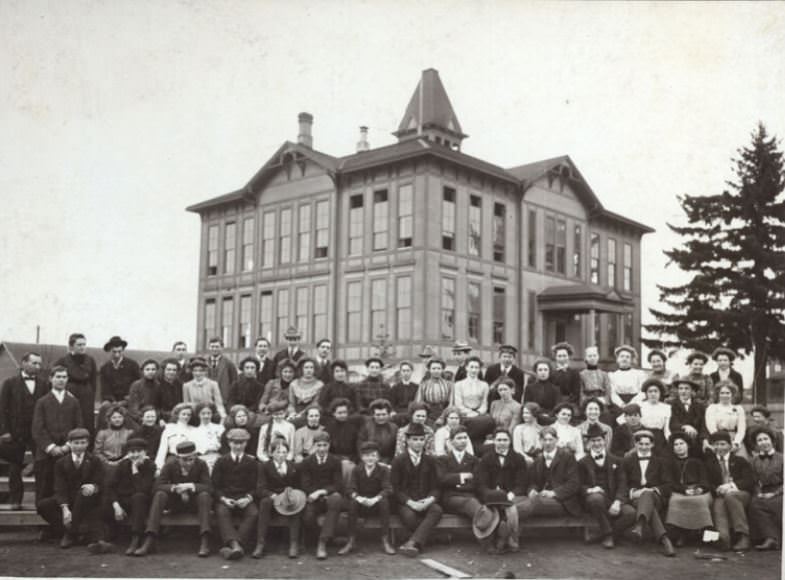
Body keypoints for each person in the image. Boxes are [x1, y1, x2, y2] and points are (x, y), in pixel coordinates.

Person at [135, 440, 212, 557]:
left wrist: (190, 486)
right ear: (177, 458)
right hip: (175, 503)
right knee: (160, 494)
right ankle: (150, 538)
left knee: (205, 496)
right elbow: (157, 486)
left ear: (195, 456)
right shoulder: (170, 464)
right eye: (185, 459)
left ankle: (205, 541)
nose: (189, 463)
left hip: (194, 503)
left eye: (192, 459)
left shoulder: (201, 464)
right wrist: (175, 488)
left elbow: (209, 487)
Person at [36, 428, 102, 547]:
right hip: (68, 498)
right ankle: (73, 532)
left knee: (84, 493)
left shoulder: (94, 460)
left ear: (88, 444)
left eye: (83, 443)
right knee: (43, 505)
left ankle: (70, 535)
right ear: (70, 444)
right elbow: (59, 487)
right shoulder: (60, 463)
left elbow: (99, 482)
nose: (79, 446)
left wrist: (93, 486)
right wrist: (65, 508)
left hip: (87, 500)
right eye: (76, 443)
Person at [91, 437, 154, 555]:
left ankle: (135, 540)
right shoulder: (123, 465)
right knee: (103, 503)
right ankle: (103, 540)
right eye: (132, 452)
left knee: (138, 497)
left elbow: (143, 489)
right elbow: (111, 486)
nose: (135, 455)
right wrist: (116, 506)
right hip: (122, 501)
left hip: (141, 503)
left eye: (138, 452)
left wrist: (135, 470)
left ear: (145, 452)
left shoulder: (150, 466)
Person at [0, 352, 48, 508]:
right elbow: (2, 409)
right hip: (16, 432)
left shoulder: (44, 384)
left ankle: (41, 501)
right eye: (34, 363)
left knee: (41, 465)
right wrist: (5, 431)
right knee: (15, 466)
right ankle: (15, 500)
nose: (38, 367)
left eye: (39, 364)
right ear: (23, 363)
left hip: (37, 432)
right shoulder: (10, 383)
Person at [578, 423, 636, 549]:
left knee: (631, 513)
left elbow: (622, 484)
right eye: (593, 441)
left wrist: (618, 501)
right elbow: (579, 485)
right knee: (595, 498)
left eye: (599, 440)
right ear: (588, 443)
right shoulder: (582, 462)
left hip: (613, 498)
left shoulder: (617, 460)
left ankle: (604, 535)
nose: (597, 444)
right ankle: (609, 535)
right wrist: (590, 490)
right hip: (594, 501)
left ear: (604, 441)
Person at [32, 366, 84, 504]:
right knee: (44, 490)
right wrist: (51, 447)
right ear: (51, 379)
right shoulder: (42, 402)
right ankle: (42, 523)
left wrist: (68, 446)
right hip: (46, 454)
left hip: (67, 453)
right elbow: (38, 428)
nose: (61, 380)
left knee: (66, 489)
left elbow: (78, 426)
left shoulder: (74, 402)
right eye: (58, 377)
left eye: (64, 377)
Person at [476, 428, 532, 553]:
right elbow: (481, 484)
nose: (502, 443)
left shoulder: (518, 459)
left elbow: (522, 483)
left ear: (510, 441)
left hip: (512, 495)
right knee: (493, 508)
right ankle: (496, 538)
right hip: (491, 496)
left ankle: (509, 538)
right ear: (494, 441)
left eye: (505, 440)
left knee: (512, 507)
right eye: (499, 440)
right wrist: (491, 494)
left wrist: (512, 493)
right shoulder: (486, 459)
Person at [391, 422, 443, 557]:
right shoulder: (399, 461)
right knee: (409, 517)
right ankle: (434, 538)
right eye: (415, 439)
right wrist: (410, 503)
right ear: (407, 440)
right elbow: (395, 489)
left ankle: (412, 542)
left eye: (421, 439)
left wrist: (429, 500)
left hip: (425, 500)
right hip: (406, 502)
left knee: (437, 510)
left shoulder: (430, 460)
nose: (418, 443)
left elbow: (436, 487)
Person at [622, 430, 676, 557]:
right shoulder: (627, 461)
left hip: (656, 497)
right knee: (646, 503)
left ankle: (640, 525)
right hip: (636, 498)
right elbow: (622, 483)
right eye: (641, 444)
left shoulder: (661, 461)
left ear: (652, 445)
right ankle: (664, 539)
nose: (644, 447)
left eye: (647, 444)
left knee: (647, 495)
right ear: (635, 444)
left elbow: (669, 485)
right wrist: (632, 493)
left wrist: (652, 490)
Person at [339, 440, 396, 555]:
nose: (370, 458)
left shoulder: (383, 470)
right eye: (366, 456)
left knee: (384, 502)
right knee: (352, 503)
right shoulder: (356, 470)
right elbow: (350, 489)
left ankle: (385, 540)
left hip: (377, 504)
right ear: (361, 457)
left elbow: (388, 489)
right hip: (362, 504)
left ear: (378, 457)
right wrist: (360, 498)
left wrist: (375, 499)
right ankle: (351, 540)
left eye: (373, 455)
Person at [703, 430, 755, 551]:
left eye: (722, 444)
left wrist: (731, 486)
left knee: (730, 496)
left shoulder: (740, 461)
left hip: (740, 494)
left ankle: (743, 535)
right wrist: (717, 489)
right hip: (720, 495)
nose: (719, 447)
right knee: (718, 504)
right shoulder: (709, 463)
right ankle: (724, 537)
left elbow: (749, 481)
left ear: (730, 446)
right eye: (716, 444)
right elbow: (706, 482)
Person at [212, 428, 259, 560]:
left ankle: (233, 546)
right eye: (235, 443)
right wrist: (223, 499)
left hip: (244, 498)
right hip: (226, 499)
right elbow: (214, 486)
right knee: (222, 512)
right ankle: (236, 545)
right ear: (229, 443)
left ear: (246, 444)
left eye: (242, 443)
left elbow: (256, 486)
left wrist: (248, 498)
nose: (238, 446)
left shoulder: (252, 462)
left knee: (253, 513)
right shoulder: (221, 461)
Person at [254, 438, 304, 559]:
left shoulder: (293, 466)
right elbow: (260, 488)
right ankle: (260, 543)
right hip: (272, 497)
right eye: (278, 452)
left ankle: (293, 543)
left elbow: (299, 486)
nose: (281, 455)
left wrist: (293, 494)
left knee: (296, 505)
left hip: (288, 497)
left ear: (288, 453)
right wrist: (273, 496)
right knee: (265, 503)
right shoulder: (264, 467)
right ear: (271, 453)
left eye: (284, 452)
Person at [664, 431, 713, 546]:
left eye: (682, 443)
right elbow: (669, 482)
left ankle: (703, 533)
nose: (679, 447)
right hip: (679, 491)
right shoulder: (670, 463)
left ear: (688, 445)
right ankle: (682, 534)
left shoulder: (697, 461)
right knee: (676, 501)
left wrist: (700, 489)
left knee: (700, 501)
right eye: (676, 445)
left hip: (698, 490)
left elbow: (705, 480)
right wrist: (684, 490)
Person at [300, 431, 344, 559]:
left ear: (329, 445)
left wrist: (322, 492)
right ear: (314, 446)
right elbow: (305, 484)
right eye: (319, 445)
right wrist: (315, 494)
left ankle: (322, 543)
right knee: (308, 517)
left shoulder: (335, 461)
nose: (322, 448)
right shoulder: (307, 461)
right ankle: (325, 536)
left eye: (325, 445)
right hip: (313, 498)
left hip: (328, 497)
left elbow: (338, 484)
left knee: (336, 499)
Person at [527, 426, 582, 523]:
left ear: (557, 440)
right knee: (526, 503)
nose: (547, 443)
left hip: (564, 502)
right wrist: (532, 490)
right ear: (540, 441)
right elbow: (532, 482)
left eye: (550, 440)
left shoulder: (567, 457)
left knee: (529, 505)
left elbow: (574, 484)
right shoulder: (538, 458)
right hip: (542, 499)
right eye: (545, 440)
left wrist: (554, 493)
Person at [436, 426, 482, 534]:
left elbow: (477, 482)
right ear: (451, 441)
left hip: (470, 497)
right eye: (459, 438)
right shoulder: (443, 460)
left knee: (475, 505)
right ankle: (494, 535)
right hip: (451, 498)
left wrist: (454, 481)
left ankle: (489, 542)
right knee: (474, 505)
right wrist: (463, 476)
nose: (463, 441)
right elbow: (442, 479)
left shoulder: (473, 460)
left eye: (465, 438)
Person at [748, 428, 783, 551]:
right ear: (756, 444)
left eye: (765, 439)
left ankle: (777, 538)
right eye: (759, 440)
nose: (763, 442)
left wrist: (775, 493)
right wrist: (759, 493)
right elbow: (753, 481)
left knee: (776, 503)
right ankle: (769, 538)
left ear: (772, 441)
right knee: (755, 503)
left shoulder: (782, 458)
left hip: (780, 489)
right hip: (763, 491)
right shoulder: (754, 461)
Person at [55, 334, 98, 435]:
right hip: (70, 393)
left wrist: (91, 394)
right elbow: (55, 380)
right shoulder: (63, 361)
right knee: (70, 420)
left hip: (86, 396)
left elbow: (93, 380)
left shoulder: (90, 360)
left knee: (86, 421)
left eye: (84, 344)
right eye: (79, 344)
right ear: (71, 346)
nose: (82, 347)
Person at [452, 356, 495, 442]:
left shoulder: (484, 385)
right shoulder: (458, 385)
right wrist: (469, 413)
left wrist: (478, 412)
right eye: (471, 367)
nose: (474, 370)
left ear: (479, 369)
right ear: (466, 368)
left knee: (489, 421)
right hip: (464, 415)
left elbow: (484, 403)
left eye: (476, 367)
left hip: (479, 415)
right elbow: (458, 404)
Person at [705, 381, 747, 457]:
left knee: (741, 458)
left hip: (734, 438)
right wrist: (721, 442)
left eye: (727, 393)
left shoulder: (738, 408)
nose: (725, 395)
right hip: (716, 437)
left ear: (732, 394)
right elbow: (711, 428)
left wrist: (736, 443)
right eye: (722, 393)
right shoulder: (712, 408)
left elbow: (741, 429)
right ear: (718, 394)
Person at [669, 378, 706, 456]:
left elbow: (703, 425)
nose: (683, 391)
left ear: (692, 391)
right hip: (678, 442)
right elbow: (672, 423)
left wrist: (704, 440)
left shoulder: (699, 406)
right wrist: (685, 426)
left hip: (696, 442)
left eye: (686, 388)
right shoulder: (671, 405)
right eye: (680, 388)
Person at [632, 378, 671, 453]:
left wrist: (669, 441)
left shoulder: (667, 408)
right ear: (646, 393)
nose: (653, 394)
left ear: (660, 393)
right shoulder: (640, 405)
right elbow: (624, 420)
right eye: (650, 391)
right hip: (641, 435)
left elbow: (667, 429)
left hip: (659, 437)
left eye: (656, 391)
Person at [154, 402, 197, 470]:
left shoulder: (194, 430)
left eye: (189, 415)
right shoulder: (169, 429)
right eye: (183, 414)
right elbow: (162, 448)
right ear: (178, 415)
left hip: (189, 460)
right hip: (173, 459)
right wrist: (158, 467)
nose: (186, 417)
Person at [99, 336, 141, 403]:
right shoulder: (105, 368)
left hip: (129, 401)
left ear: (123, 350)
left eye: (119, 351)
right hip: (112, 401)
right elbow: (105, 390)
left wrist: (128, 399)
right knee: (105, 407)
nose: (117, 355)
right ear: (109, 351)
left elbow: (138, 385)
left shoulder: (132, 365)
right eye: (114, 352)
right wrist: (112, 401)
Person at [358, 399, 398, 465]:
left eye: (384, 414)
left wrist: (389, 463)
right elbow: (360, 447)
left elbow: (395, 450)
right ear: (373, 414)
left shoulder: (394, 428)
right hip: (369, 461)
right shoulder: (366, 427)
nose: (381, 417)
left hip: (388, 462)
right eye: (378, 415)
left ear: (388, 414)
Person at [287, 358, 324, 426]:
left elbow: (315, 403)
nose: (309, 370)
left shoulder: (319, 385)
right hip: (295, 412)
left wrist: (301, 414)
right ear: (302, 369)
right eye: (306, 367)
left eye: (311, 367)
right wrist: (292, 413)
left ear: (314, 370)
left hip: (312, 413)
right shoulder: (293, 384)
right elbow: (291, 403)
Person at [127, 359, 162, 425]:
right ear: (143, 371)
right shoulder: (136, 385)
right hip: (139, 419)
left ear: (156, 371)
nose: (150, 372)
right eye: (147, 369)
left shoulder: (159, 386)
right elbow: (133, 408)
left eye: (153, 369)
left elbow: (159, 407)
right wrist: (142, 419)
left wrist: (155, 417)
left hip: (154, 418)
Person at [205, 337, 238, 404]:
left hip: (223, 400)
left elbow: (234, 382)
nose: (214, 349)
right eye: (212, 347)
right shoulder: (204, 362)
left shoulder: (229, 363)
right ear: (209, 348)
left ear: (222, 348)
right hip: (207, 399)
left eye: (217, 347)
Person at [193, 402, 224, 472]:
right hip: (202, 458)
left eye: (209, 413)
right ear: (198, 415)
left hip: (217, 456)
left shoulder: (219, 428)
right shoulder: (194, 431)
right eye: (203, 414)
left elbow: (223, 444)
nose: (206, 416)